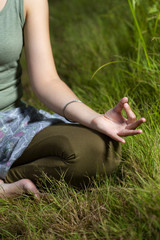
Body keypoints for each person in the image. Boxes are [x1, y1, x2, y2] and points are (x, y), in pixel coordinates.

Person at [0, 0, 146, 199]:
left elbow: (47, 80)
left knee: (100, 150)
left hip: (9, 123)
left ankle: (10, 180)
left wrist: (95, 119)